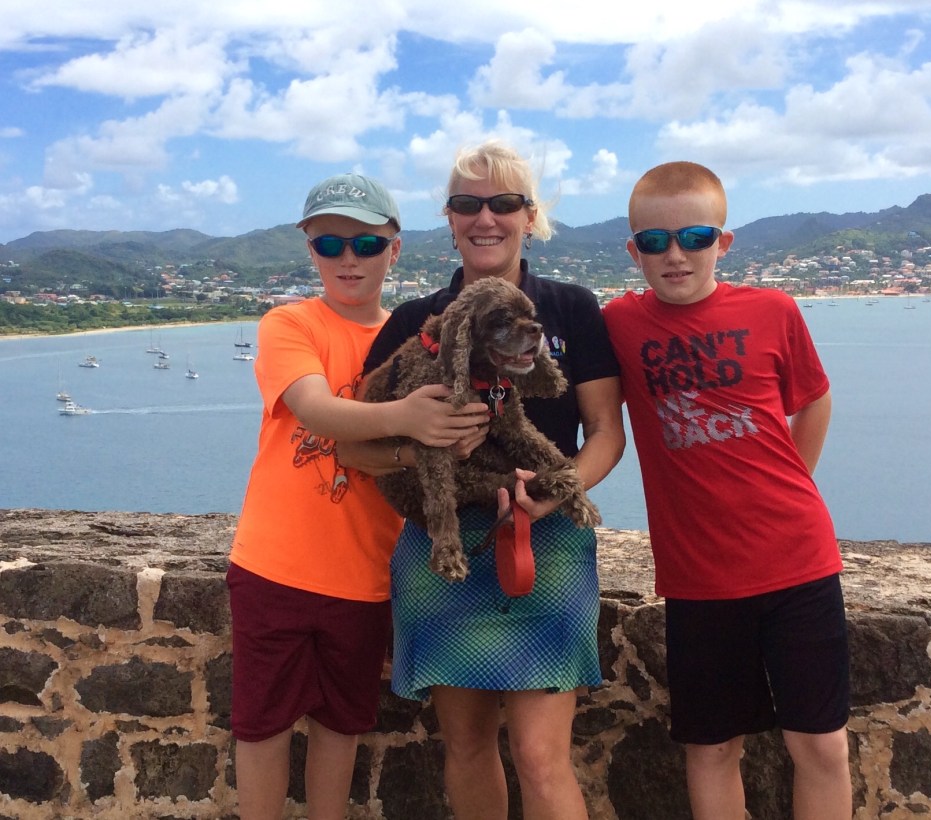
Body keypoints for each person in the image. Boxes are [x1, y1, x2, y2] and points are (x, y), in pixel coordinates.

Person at [345, 141, 625, 819]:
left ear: (530, 216)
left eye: (504, 203)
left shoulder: (570, 309)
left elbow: (606, 435)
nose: (486, 219)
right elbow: (352, 445)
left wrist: (556, 490)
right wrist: (419, 451)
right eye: (468, 204)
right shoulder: (418, 324)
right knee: (466, 747)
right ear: (449, 217)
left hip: (545, 540)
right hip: (446, 553)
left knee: (538, 755)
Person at [227, 173, 489, 820]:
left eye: (367, 245)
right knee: (262, 727)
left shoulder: (408, 338)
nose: (349, 259)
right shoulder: (290, 323)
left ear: (393, 250)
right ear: (310, 249)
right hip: (274, 565)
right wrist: (410, 419)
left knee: (341, 727)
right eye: (331, 244)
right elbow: (316, 410)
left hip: (363, 575)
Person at [603, 161, 851, 820]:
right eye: (655, 243)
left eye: (695, 237)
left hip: (798, 561)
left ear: (724, 242)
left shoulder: (773, 309)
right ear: (635, 251)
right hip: (700, 578)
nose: (676, 255)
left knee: (821, 745)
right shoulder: (619, 324)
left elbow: (815, 400)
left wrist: (795, 482)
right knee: (711, 749)